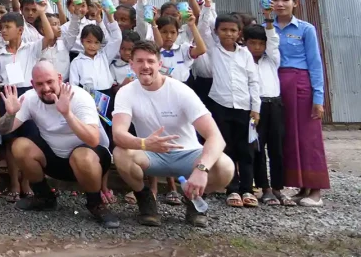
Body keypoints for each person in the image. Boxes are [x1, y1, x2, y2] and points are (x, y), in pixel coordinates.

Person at [111, 40, 235, 228]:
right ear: (132, 65)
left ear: (160, 65)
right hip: (151, 154)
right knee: (120, 153)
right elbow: (118, 134)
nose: (145, 66)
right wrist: (144, 144)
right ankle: (145, 199)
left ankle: (194, 199)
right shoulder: (126, 92)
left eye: (151, 61)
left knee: (225, 166)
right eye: (140, 61)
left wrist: (202, 169)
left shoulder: (181, 90)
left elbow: (215, 137)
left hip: (188, 154)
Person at [0, 62, 119, 228]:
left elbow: (93, 139)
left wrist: (67, 114)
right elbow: (3, 130)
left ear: (60, 79)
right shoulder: (30, 98)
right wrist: (10, 114)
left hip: (90, 160)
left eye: (49, 82)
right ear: (32, 84)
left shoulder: (80, 96)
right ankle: (44, 197)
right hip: (54, 158)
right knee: (19, 146)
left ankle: (95, 203)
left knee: (82, 156)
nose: (46, 88)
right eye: (39, 84)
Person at [270, 0, 329, 206]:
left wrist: (318, 99)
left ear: (295, 3)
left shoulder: (305, 29)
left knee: (308, 137)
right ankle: (301, 187)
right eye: (275, 0)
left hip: (301, 84)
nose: (280, 4)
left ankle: (316, 191)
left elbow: (315, 64)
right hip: (276, 85)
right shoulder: (268, 29)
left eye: (285, 0)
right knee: (288, 137)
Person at [202, 12, 261, 209]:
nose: (228, 34)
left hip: (244, 107)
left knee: (246, 150)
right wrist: (207, 3)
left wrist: (256, 108)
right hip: (220, 105)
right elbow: (203, 27)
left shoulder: (245, 54)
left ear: (239, 33)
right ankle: (232, 189)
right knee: (226, 148)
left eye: (233, 30)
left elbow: (253, 81)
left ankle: (247, 189)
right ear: (217, 32)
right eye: (224, 30)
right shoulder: (214, 50)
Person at [244, 20, 287, 206]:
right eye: (252, 43)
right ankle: (265, 188)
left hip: (275, 105)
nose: (257, 47)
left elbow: (273, 41)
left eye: (261, 43)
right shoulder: (242, 60)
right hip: (255, 107)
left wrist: (269, 21)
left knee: (276, 147)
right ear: (244, 43)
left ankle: (278, 188)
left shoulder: (272, 59)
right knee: (257, 148)